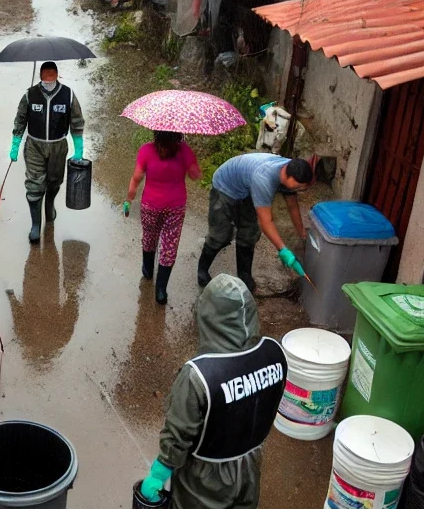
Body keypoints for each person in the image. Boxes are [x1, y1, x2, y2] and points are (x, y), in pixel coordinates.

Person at [135, 274, 288, 509]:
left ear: (209, 317)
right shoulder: (275, 353)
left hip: (206, 480)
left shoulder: (200, 375)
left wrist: (159, 472)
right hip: (250, 466)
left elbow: (179, 433)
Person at [197, 153, 312, 292]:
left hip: (247, 188)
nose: (298, 190)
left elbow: (293, 206)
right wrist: (283, 250)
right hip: (225, 186)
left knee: (249, 232)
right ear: (286, 175)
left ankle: (244, 275)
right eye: (297, 187)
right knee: (220, 235)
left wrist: (302, 233)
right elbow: (266, 222)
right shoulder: (264, 178)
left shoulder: (292, 169)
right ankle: (202, 270)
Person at [10, 61, 85, 243]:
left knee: (54, 182)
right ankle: (35, 225)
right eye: (46, 75)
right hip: (35, 146)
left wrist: (78, 146)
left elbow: (77, 121)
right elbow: (20, 120)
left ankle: (49, 205)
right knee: (34, 186)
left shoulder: (68, 95)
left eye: (52, 74)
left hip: (58, 146)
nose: (49, 78)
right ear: (41, 76)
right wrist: (15, 143)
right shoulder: (30, 95)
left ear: (57, 75)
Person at [123, 131, 201, 304]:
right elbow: (196, 175)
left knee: (150, 238)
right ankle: (161, 290)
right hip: (175, 206)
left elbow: (136, 178)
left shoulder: (146, 150)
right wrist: (188, 160)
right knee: (169, 246)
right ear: (178, 134)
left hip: (150, 204)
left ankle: (148, 270)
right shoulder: (184, 151)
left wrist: (128, 201)